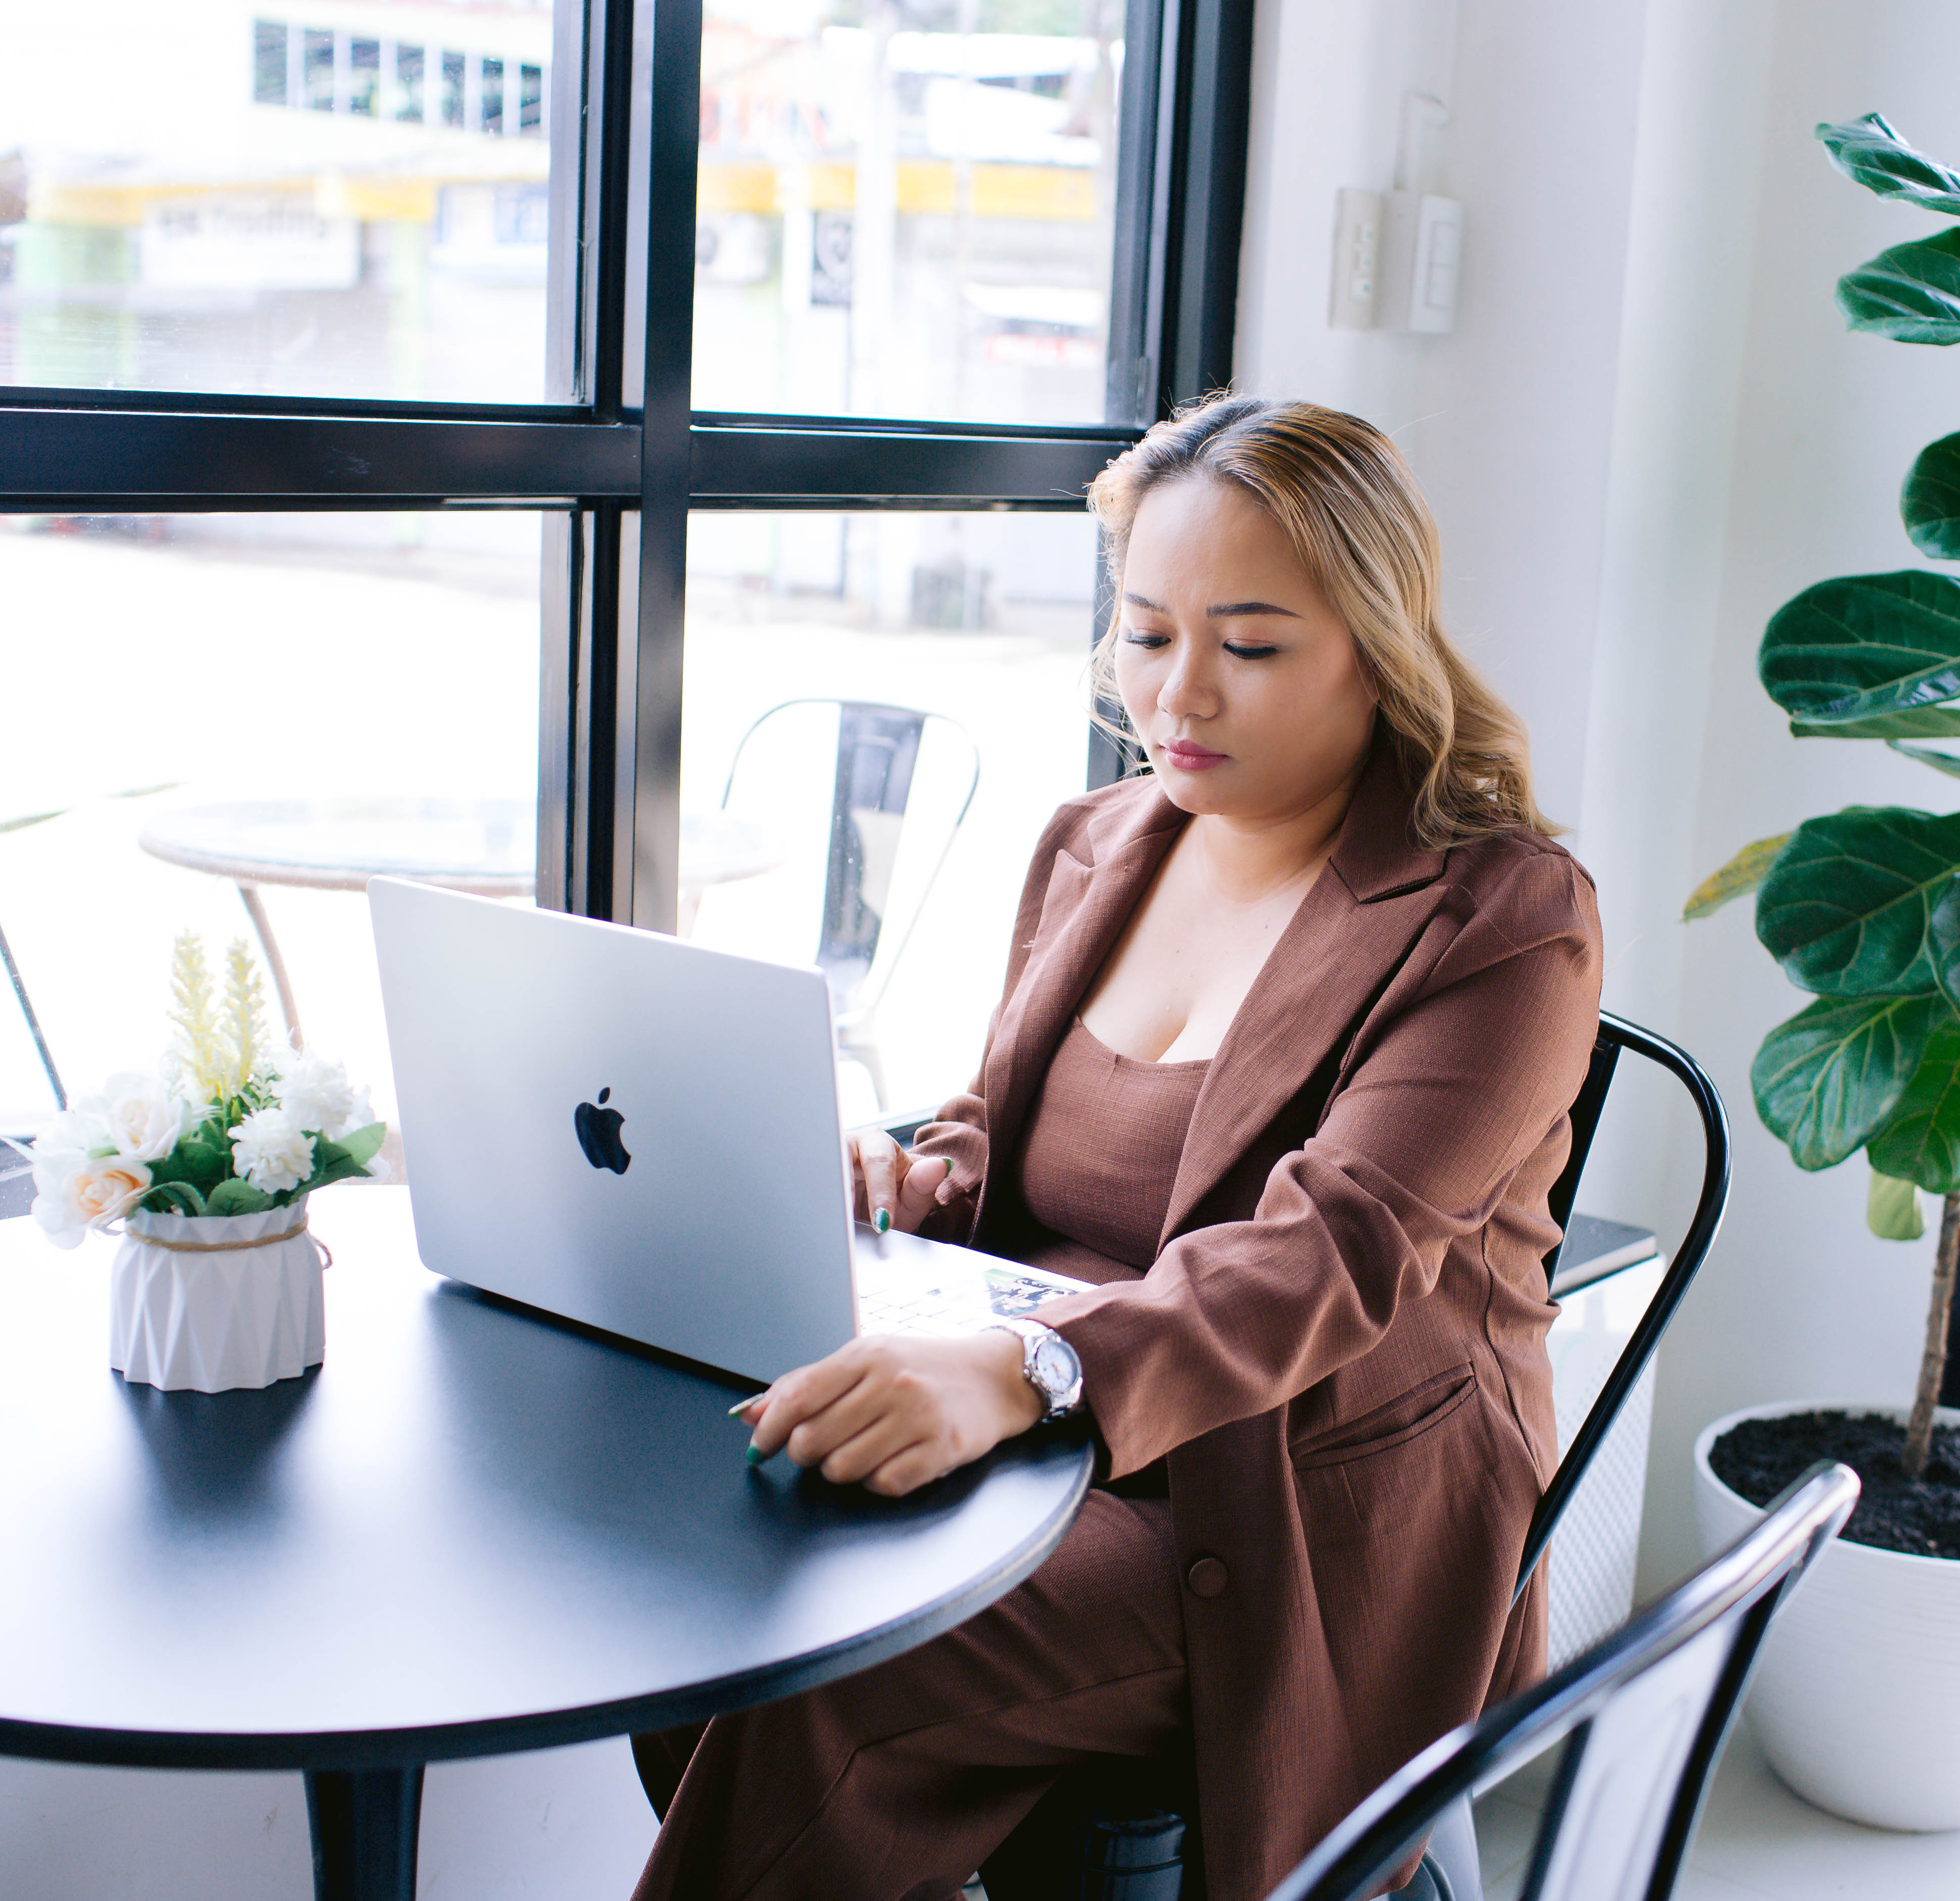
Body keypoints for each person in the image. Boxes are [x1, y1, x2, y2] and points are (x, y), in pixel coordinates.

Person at [629, 395, 1604, 1901]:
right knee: (708, 1581)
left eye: (1253, 643)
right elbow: (1014, 1131)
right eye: (1147, 634)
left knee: (825, 1674)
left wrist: (1030, 1371)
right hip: (1035, 1425)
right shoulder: (1097, 842)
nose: (1180, 696)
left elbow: (1337, 1248)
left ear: (1376, 643)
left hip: (1292, 1494)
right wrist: (915, 1178)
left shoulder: (1499, 915)